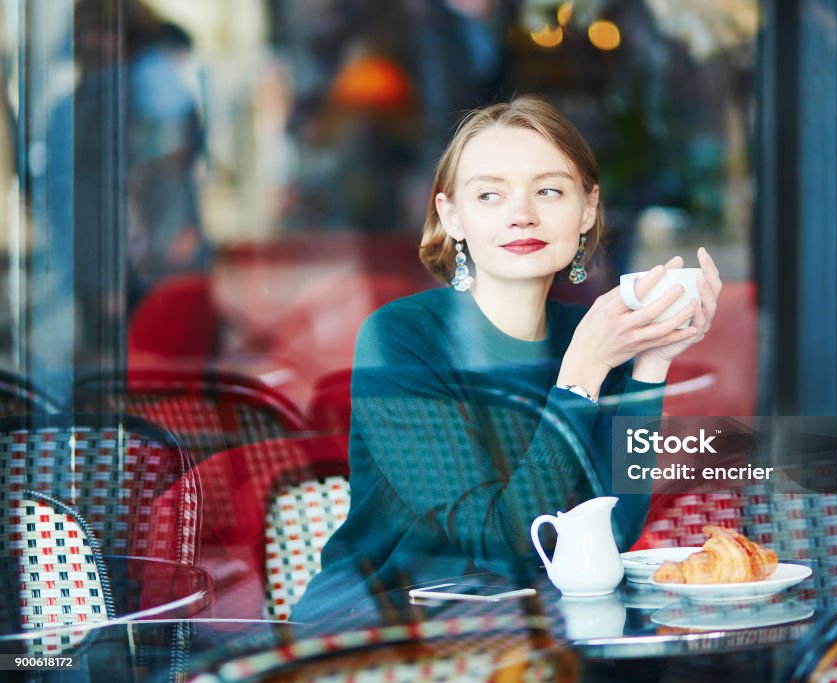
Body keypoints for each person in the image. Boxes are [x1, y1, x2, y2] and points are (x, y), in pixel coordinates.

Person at [292, 96, 722, 623]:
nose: (523, 215)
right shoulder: (404, 337)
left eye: (548, 190)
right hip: (388, 633)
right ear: (452, 215)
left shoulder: (588, 336)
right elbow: (503, 542)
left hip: (535, 629)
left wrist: (650, 364)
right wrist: (582, 374)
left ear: (587, 209)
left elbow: (610, 532)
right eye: (490, 195)